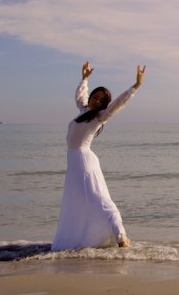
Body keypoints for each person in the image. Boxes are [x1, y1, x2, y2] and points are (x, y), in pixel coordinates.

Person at [51, 61, 145, 251]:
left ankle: (121, 236)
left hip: (85, 162)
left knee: (98, 198)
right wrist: (85, 78)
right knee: (78, 203)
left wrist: (135, 86)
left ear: (103, 104)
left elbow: (118, 104)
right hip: (74, 163)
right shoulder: (84, 112)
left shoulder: (99, 117)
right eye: (95, 96)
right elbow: (80, 96)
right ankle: (86, 239)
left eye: (100, 99)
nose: (95, 100)